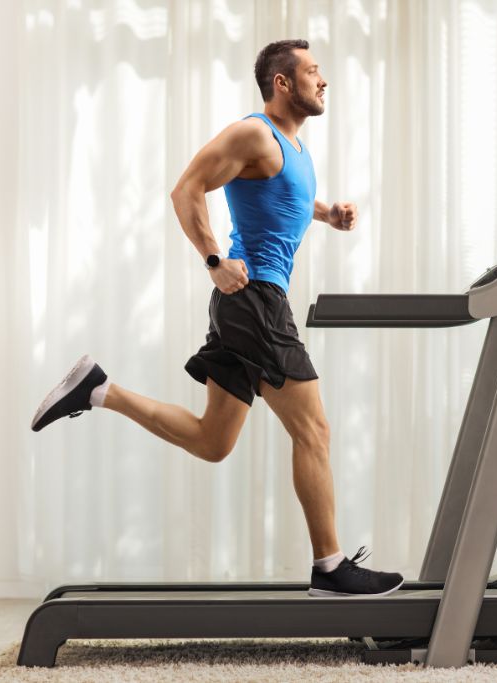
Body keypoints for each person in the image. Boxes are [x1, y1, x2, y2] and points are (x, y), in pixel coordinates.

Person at [30, 39, 403, 598]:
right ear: (282, 83)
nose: (324, 81)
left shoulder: (294, 148)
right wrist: (212, 261)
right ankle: (330, 568)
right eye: (313, 72)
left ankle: (99, 390)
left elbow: (285, 201)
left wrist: (329, 213)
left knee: (212, 441)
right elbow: (186, 189)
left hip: (247, 305)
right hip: (254, 301)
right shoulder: (255, 132)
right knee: (315, 431)